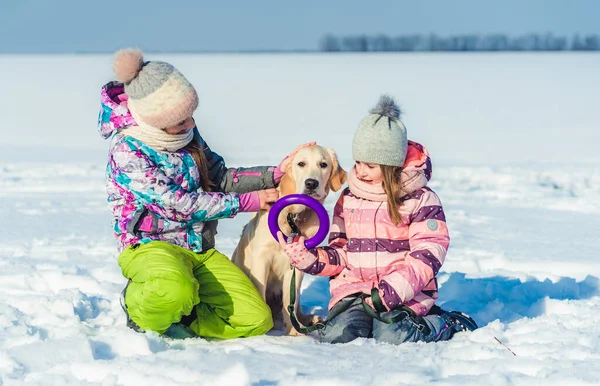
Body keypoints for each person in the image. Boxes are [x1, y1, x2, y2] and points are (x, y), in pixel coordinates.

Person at [98, 48, 310, 339]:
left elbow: (220, 177)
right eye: (181, 119)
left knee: (255, 319)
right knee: (173, 290)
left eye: (190, 115)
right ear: (153, 119)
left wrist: (273, 174)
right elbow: (177, 204)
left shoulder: (187, 135)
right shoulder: (128, 150)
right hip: (149, 247)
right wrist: (248, 202)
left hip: (197, 248)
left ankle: (185, 317)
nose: (191, 124)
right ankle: (138, 306)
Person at [277, 95, 477, 344]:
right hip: (355, 294)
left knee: (393, 335)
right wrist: (309, 259)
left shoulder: (420, 200)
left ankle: (445, 323)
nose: (360, 171)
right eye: (358, 162)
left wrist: (390, 292)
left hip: (403, 295)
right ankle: (365, 320)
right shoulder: (349, 198)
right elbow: (340, 253)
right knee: (336, 334)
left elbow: (427, 255)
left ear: (390, 165)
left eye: (369, 165)